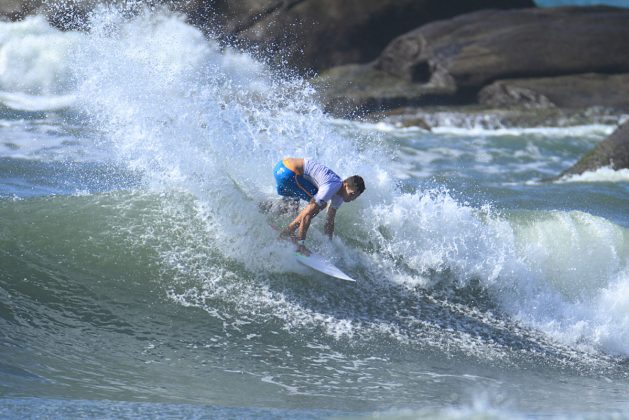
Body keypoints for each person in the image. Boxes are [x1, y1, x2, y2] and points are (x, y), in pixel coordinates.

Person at [273, 157, 365, 254]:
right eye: (351, 194)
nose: (352, 198)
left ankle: (263, 208)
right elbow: (307, 215)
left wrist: (329, 247)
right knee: (320, 205)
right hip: (289, 173)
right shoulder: (332, 186)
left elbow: (329, 222)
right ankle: (289, 235)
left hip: (281, 168)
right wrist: (301, 243)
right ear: (345, 185)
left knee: (292, 205)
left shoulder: (340, 194)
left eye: (355, 196)